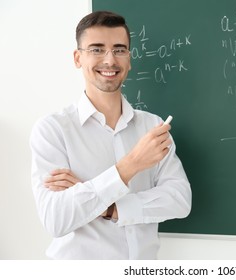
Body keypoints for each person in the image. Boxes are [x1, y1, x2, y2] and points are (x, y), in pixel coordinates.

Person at [29, 11, 191, 259]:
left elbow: (179, 199)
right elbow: (56, 219)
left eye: (119, 49)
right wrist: (131, 164)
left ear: (129, 58)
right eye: (96, 49)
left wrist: (109, 208)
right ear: (77, 58)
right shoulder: (52, 130)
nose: (109, 60)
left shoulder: (152, 126)